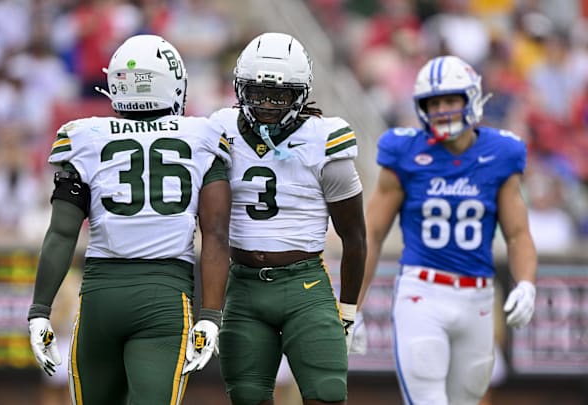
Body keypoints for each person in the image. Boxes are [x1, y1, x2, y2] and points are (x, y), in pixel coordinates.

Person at [27, 34, 232, 405]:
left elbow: (61, 232)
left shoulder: (85, 135)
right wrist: (211, 315)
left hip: (100, 298)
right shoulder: (202, 135)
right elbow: (216, 234)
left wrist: (40, 310)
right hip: (164, 297)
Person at [358, 55, 538, 405]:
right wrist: (351, 304)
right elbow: (372, 234)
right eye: (433, 102)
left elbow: (517, 233)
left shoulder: (501, 153)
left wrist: (527, 284)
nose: (441, 110)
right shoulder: (404, 151)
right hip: (422, 293)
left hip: (478, 299)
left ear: (471, 98)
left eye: (449, 100)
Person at [210, 32, 366, 405]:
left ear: (300, 93)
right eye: (257, 92)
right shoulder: (220, 130)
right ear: (239, 88)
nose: (266, 103)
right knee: (247, 396)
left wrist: (348, 310)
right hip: (244, 287)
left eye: (279, 94)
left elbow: (354, 234)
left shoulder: (325, 138)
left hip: (304, 287)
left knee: (327, 394)